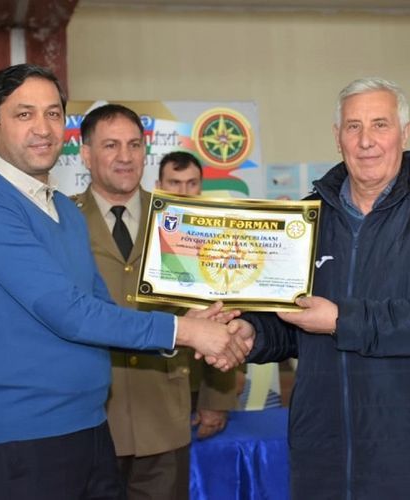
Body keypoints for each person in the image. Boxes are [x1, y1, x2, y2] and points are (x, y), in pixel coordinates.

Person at [0, 64, 247, 500]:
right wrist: (187, 331)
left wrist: (193, 323)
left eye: (53, 113)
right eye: (24, 114)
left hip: (91, 425)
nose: (43, 128)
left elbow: (103, 309)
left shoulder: (63, 209)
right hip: (25, 438)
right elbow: (67, 312)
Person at [227, 77, 410, 499]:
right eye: (354, 126)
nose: (366, 140)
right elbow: (293, 320)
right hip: (323, 451)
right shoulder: (306, 217)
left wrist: (340, 320)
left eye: (380, 125)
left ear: (405, 133)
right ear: (338, 137)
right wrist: (252, 333)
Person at [73, 110, 237, 499]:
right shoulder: (61, 220)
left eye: (134, 145)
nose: (125, 156)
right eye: (111, 145)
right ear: (86, 155)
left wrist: (217, 396)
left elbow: (217, 309)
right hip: (90, 414)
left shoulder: (182, 219)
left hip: (163, 412)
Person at [155, 151, 238, 440]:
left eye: (191, 183)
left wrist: (217, 399)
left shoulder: (218, 238)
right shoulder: (142, 235)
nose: (184, 192)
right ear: (158, 186)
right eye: (174, 183)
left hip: (199, 380)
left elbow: (228, 319)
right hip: (148, 383)